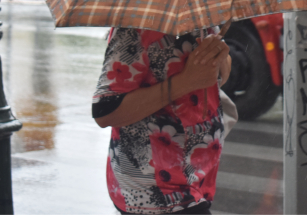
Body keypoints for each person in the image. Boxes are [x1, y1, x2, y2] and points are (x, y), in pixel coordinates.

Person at [93, 26, 231, 215]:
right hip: (155, 192)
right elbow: (105, 111)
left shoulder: (202, 20)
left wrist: (220, 60)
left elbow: (210, 81)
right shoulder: (137, 26)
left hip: (195, 181)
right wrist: (187, 80)